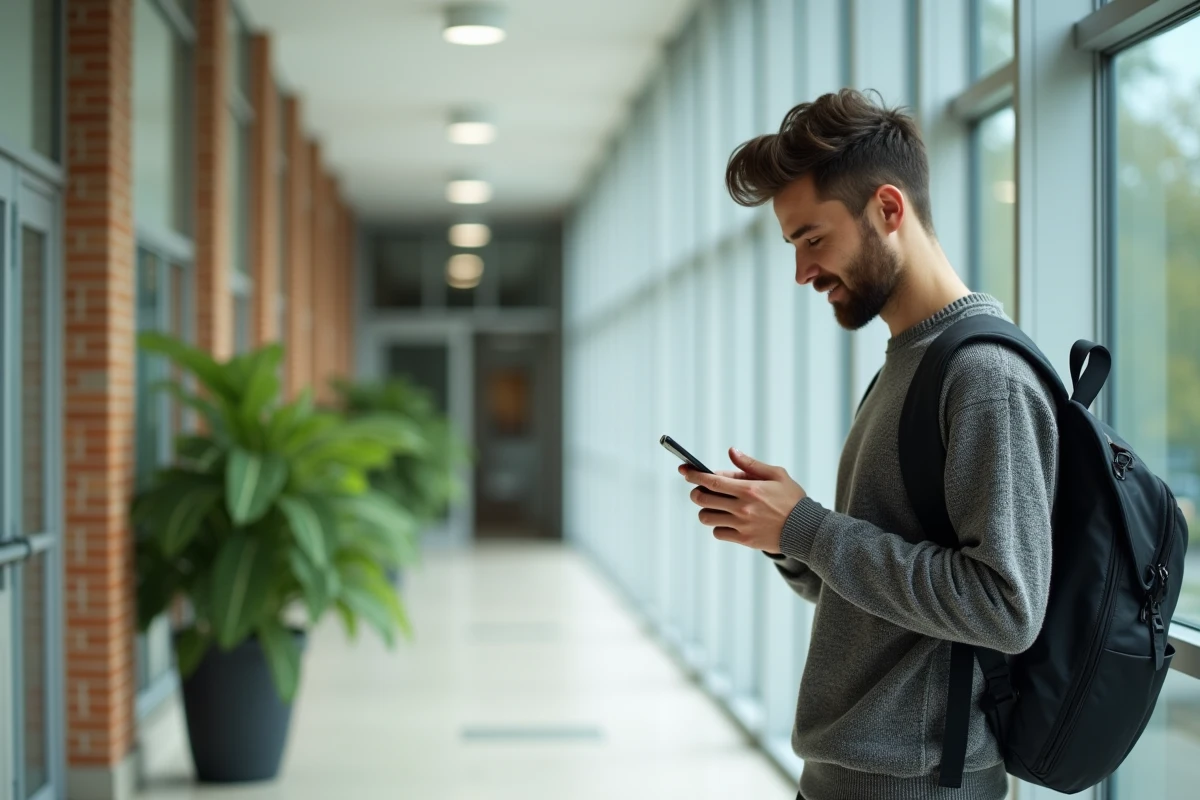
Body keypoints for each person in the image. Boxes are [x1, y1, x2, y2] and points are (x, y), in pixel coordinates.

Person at [677, 88, 1058, 800]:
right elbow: (872, 595)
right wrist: (784, 537)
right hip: (846, 776)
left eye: (812, 240)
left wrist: (811, 528)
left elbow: (1006, 607)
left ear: (888, 209)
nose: (802, 273)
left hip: (918, 785)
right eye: (793, 246)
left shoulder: (983, 377)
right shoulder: (907, 362)